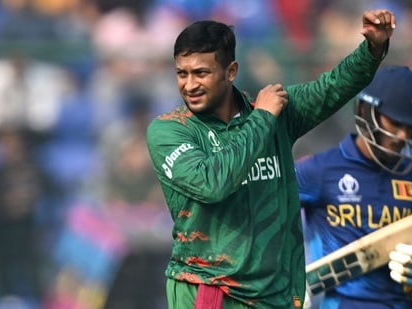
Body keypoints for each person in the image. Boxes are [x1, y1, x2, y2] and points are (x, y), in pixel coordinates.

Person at [146, 9, 396, 309]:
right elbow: (212, 184)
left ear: (231, 71)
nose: (189, 85)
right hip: (211, 290)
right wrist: (263, 117)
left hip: (275, 294)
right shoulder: (170, 130)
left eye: (201, 73)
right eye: (181, 73)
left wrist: (372, 50)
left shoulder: (275, 114)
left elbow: (331, 88)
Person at [295, 65, 412, 309]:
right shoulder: (318, 170)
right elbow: (266, 221)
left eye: (411, 127)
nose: (402, 135)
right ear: (366, 110)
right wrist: (287, 275)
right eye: (395, 122)